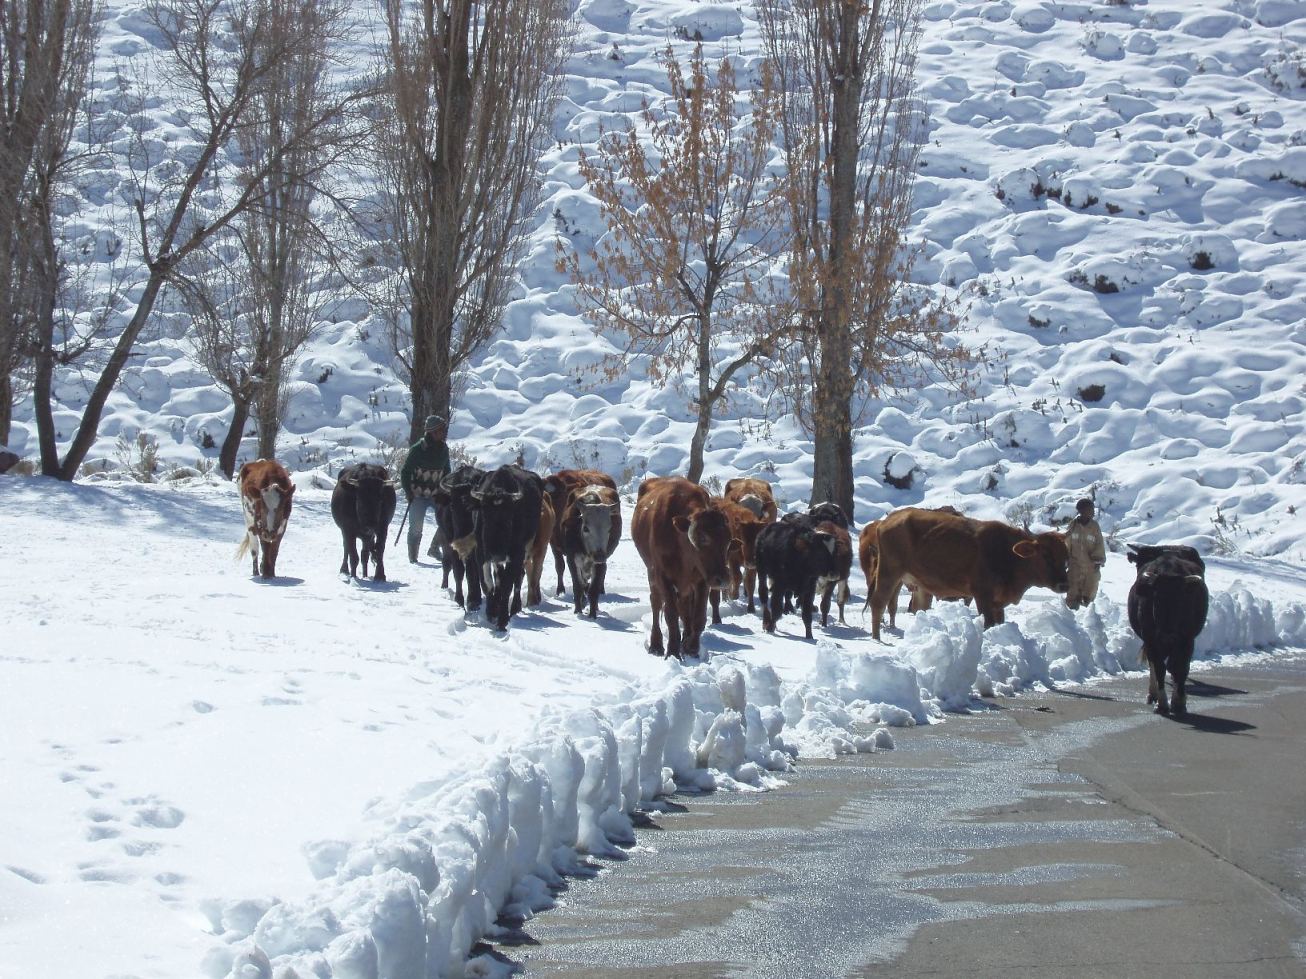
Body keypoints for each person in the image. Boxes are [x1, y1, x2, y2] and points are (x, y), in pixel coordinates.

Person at [400, 414, 451, 563]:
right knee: (416, 527)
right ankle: (413, 556)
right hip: (417, 495)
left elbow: (447, 471)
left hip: (436, 494)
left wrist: (446, 489)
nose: (443, 433)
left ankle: (434, 547)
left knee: (446, 521)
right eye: (441, 430)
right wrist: (408, 492)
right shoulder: (417, 449)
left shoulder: (444, 449)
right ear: (433, 432)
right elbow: (405, 472)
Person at [1065, 497, 1106, 610]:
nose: (1093, 512)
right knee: (1072, 587)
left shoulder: (1094, 527)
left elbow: (1099, 544)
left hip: (1091, 566)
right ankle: (1071, 612)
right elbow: (1066, 542)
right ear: (1082, 511)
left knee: (1090, 588)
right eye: (1090, 509)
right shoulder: (1073, 526)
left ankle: (1087, 611)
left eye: (1093, 509)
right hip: (1075, 564)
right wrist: (1065, 558)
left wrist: (1098, 560)